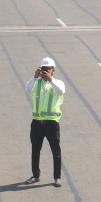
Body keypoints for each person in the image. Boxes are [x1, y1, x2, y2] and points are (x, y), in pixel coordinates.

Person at [26, 56, 66, 186]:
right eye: (43, 69)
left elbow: (61, 91)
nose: (45, 71)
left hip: (51, 122)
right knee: (35, 149)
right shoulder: (36, 82)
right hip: (37, 122)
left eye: (48, 69)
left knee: (56, 150)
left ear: (53, 70)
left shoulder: (58, 83)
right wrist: (34, 77)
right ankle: (35, 175)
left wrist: (51, 80)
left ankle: (57, 177)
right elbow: (27, 89)